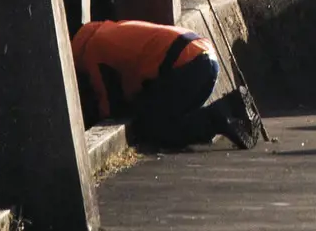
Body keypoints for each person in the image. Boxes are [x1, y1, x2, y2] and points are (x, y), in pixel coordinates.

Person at [70, 18, 264, 151]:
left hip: (187, 64)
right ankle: (227, 111)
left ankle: (220, 116)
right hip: (202, 55)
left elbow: (109, 106)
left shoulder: (91, 52)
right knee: (173, 117)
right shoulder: (106, 31)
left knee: (153, 129)